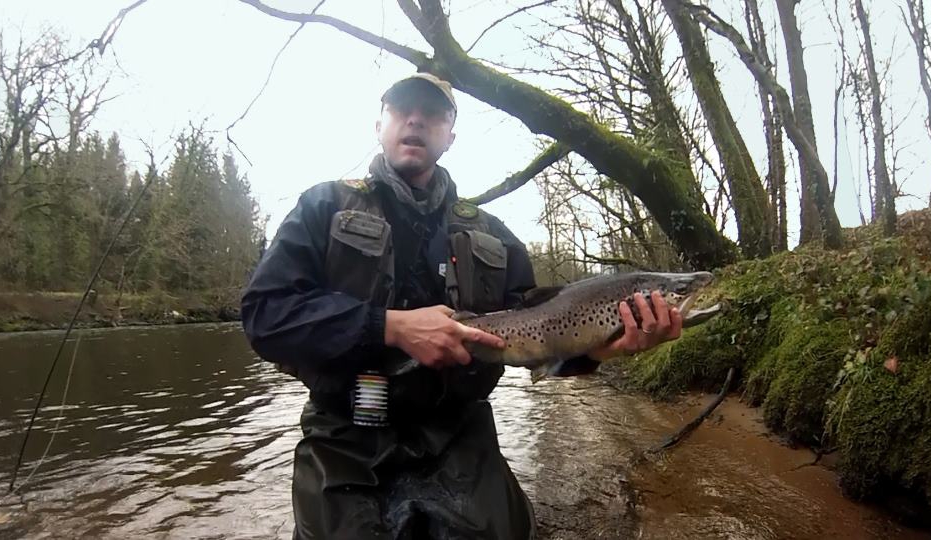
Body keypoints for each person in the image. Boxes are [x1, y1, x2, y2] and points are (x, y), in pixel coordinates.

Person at [240, 72, 683, 540]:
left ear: (450, 135)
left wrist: (597, 349)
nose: (415, 119)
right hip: (343, 432)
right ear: (380, 125)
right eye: (401, 109)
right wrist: (388, 327)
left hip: (457, 432)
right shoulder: (322, 206)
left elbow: (544, 333)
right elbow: (265, 315)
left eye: (432, 113)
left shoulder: (493, 235)